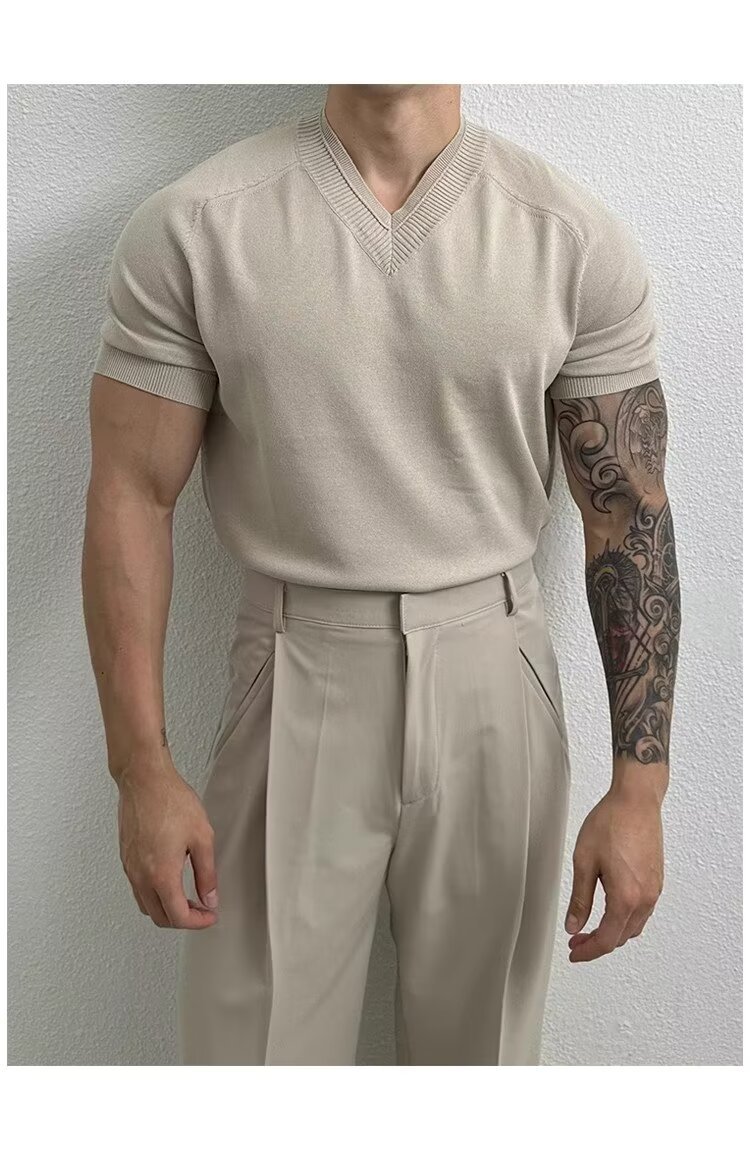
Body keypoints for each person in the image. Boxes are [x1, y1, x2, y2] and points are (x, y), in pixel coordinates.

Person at [81, 83, 681, 1066]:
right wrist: (138, 769)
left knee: (478, 1071)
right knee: (253, 1070)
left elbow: (627, 514)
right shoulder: (197, 228)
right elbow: (131, 497)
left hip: (497, 675)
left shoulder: (567, 237)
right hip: (293, 666)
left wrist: (640, 791)